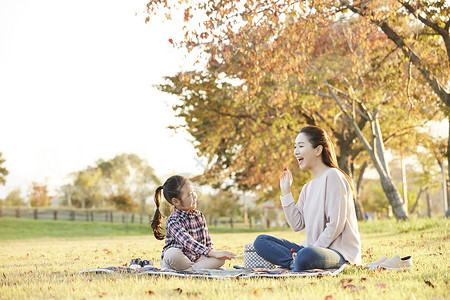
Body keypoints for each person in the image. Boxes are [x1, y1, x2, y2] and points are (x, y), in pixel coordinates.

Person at [253, 125, 361, 271]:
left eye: (301, 146)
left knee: (306, 255)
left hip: (339, 254)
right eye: (295, 147)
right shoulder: (307, 188)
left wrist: (311, 250)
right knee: (261, 241)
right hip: (310, 250)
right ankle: (295, 263)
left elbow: (336, 225)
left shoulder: (334, 176)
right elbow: (297, 224)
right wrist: (286, 193)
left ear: (318, 150)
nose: (295, 152)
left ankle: (298, 262)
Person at [151, 175, 235, 271]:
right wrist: (213, 254)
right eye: (190, 194)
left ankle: (189, 270)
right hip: (179, 260)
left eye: (193, 191)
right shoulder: (173, 221)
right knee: (172, 254)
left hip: (197, 260)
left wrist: (214, 254)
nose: (195, 196)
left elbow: (208, 242)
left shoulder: (199, 216)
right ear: (176, 201)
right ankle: (195, 269)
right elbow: (188, 241)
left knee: (220, 260)